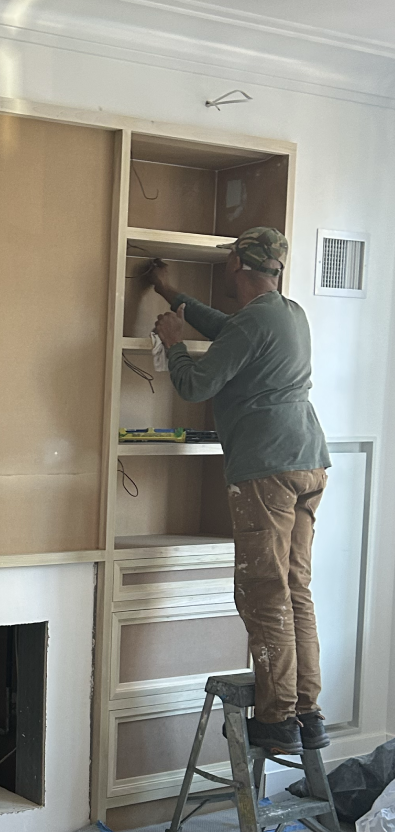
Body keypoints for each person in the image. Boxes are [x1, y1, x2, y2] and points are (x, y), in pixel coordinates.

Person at [149, 227, 330, 753]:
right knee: (295, 588)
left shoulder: (256, 322)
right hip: (308, 462)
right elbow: (231, 330)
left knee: (263, 592)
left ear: (236, 265)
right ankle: (307, 712)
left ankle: (276, 721)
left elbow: (195, 385)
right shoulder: (288, 313)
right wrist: (171, 294)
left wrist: (174, 343)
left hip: (266, 469)